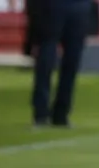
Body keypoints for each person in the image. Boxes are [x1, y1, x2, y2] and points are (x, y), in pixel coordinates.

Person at [29, 0, 92, 128]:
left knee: (70, 61)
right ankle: (43, 114)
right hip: (54, 7)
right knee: (47, 61)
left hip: (74, 8)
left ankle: (58, 114)